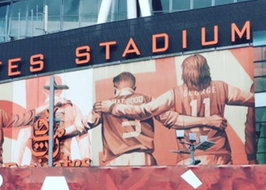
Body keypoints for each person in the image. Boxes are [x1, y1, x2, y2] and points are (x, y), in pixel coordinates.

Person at [95, 53, 255, 165]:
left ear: (184, 73)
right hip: (220, 155)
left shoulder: (175, 94)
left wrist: (114, 107)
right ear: (207, 70)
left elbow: (143, 111)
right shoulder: (222, 88)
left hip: (188, 158)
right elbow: (253, 100)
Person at [83, 70, 226, 166]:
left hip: (115, 162)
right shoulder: (147, 100)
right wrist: (208, 120)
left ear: (115, 89)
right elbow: (174, 120)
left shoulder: (103, 105)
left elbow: (81, 125)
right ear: (135, 87)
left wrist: (61, 133)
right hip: (143, 158)